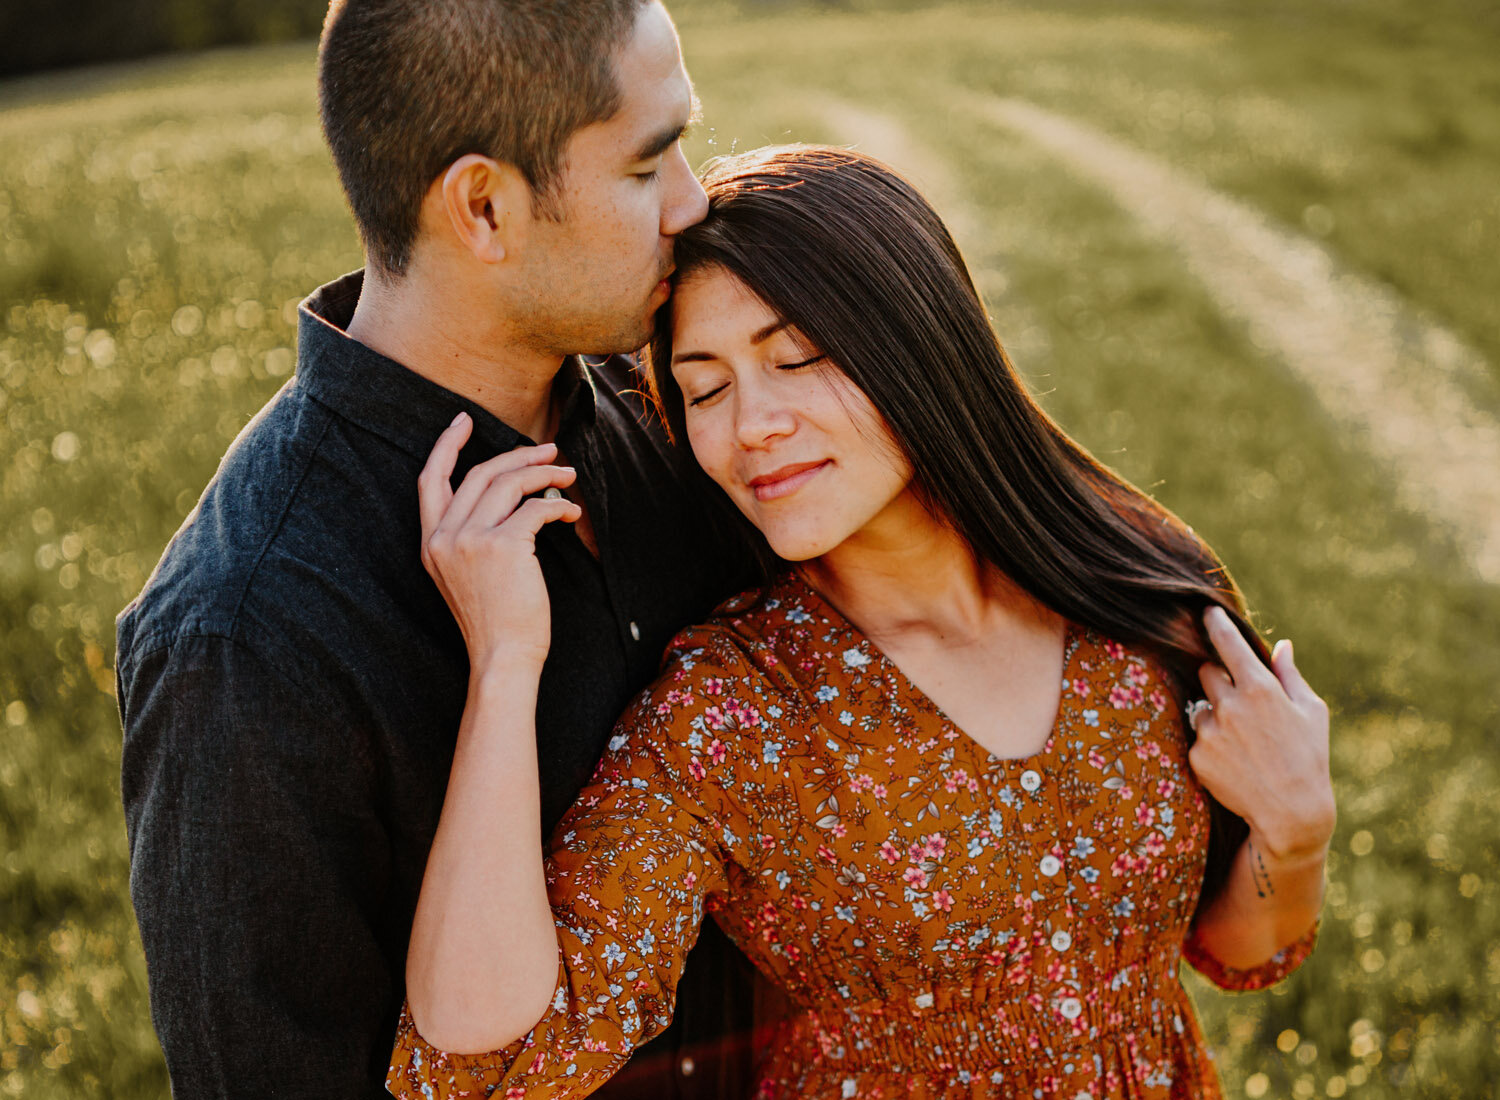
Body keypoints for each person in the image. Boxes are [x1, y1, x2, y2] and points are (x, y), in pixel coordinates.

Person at [385, 145, 1335, 1099]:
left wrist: (1295, 833)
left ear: (921, 347)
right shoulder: (733, 712)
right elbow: (481, 1057)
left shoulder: (1131, 600)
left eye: (797, 359)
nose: (752, 423)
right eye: (706, 389)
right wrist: (506, 661)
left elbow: (1233, 950)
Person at [114, 2, 766, 1097]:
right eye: (648, 164)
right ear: (483, 207)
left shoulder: (679, 420)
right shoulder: (248, 633)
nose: (694, 203)